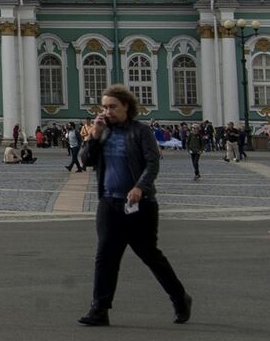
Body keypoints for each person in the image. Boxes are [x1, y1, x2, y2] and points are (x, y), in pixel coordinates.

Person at [77, 84, 191, 327]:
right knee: (105, 257)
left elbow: (152, 164)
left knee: (150, 255)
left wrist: (139, 187)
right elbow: (85, 160)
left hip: (141, 206)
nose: (107, 111)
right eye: (104, 107)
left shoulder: (141, 132)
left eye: (112, 107)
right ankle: (99, 309)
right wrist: (94, 136)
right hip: (109, 203)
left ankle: (179, 298)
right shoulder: (102, 132)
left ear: (126, 106)